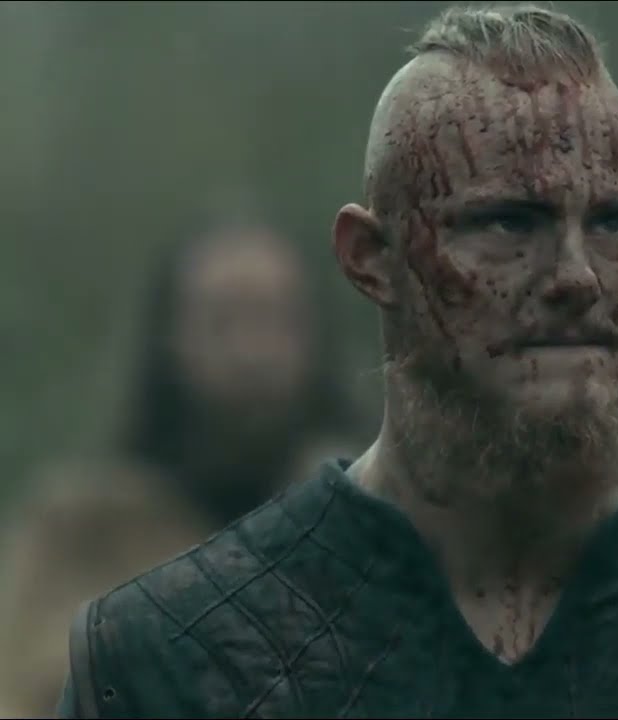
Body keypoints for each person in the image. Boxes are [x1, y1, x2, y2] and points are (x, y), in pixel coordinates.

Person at [54, 7, 618, 718]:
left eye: (614, 222)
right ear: (372, 259)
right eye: (510, 221)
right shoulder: (171, 662)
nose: (577, 277)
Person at [0, 212, 362, 716]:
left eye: (276, 320)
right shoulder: (81, 528)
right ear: (169, 336)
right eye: (222, 322)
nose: (252, 353)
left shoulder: (367, 521)